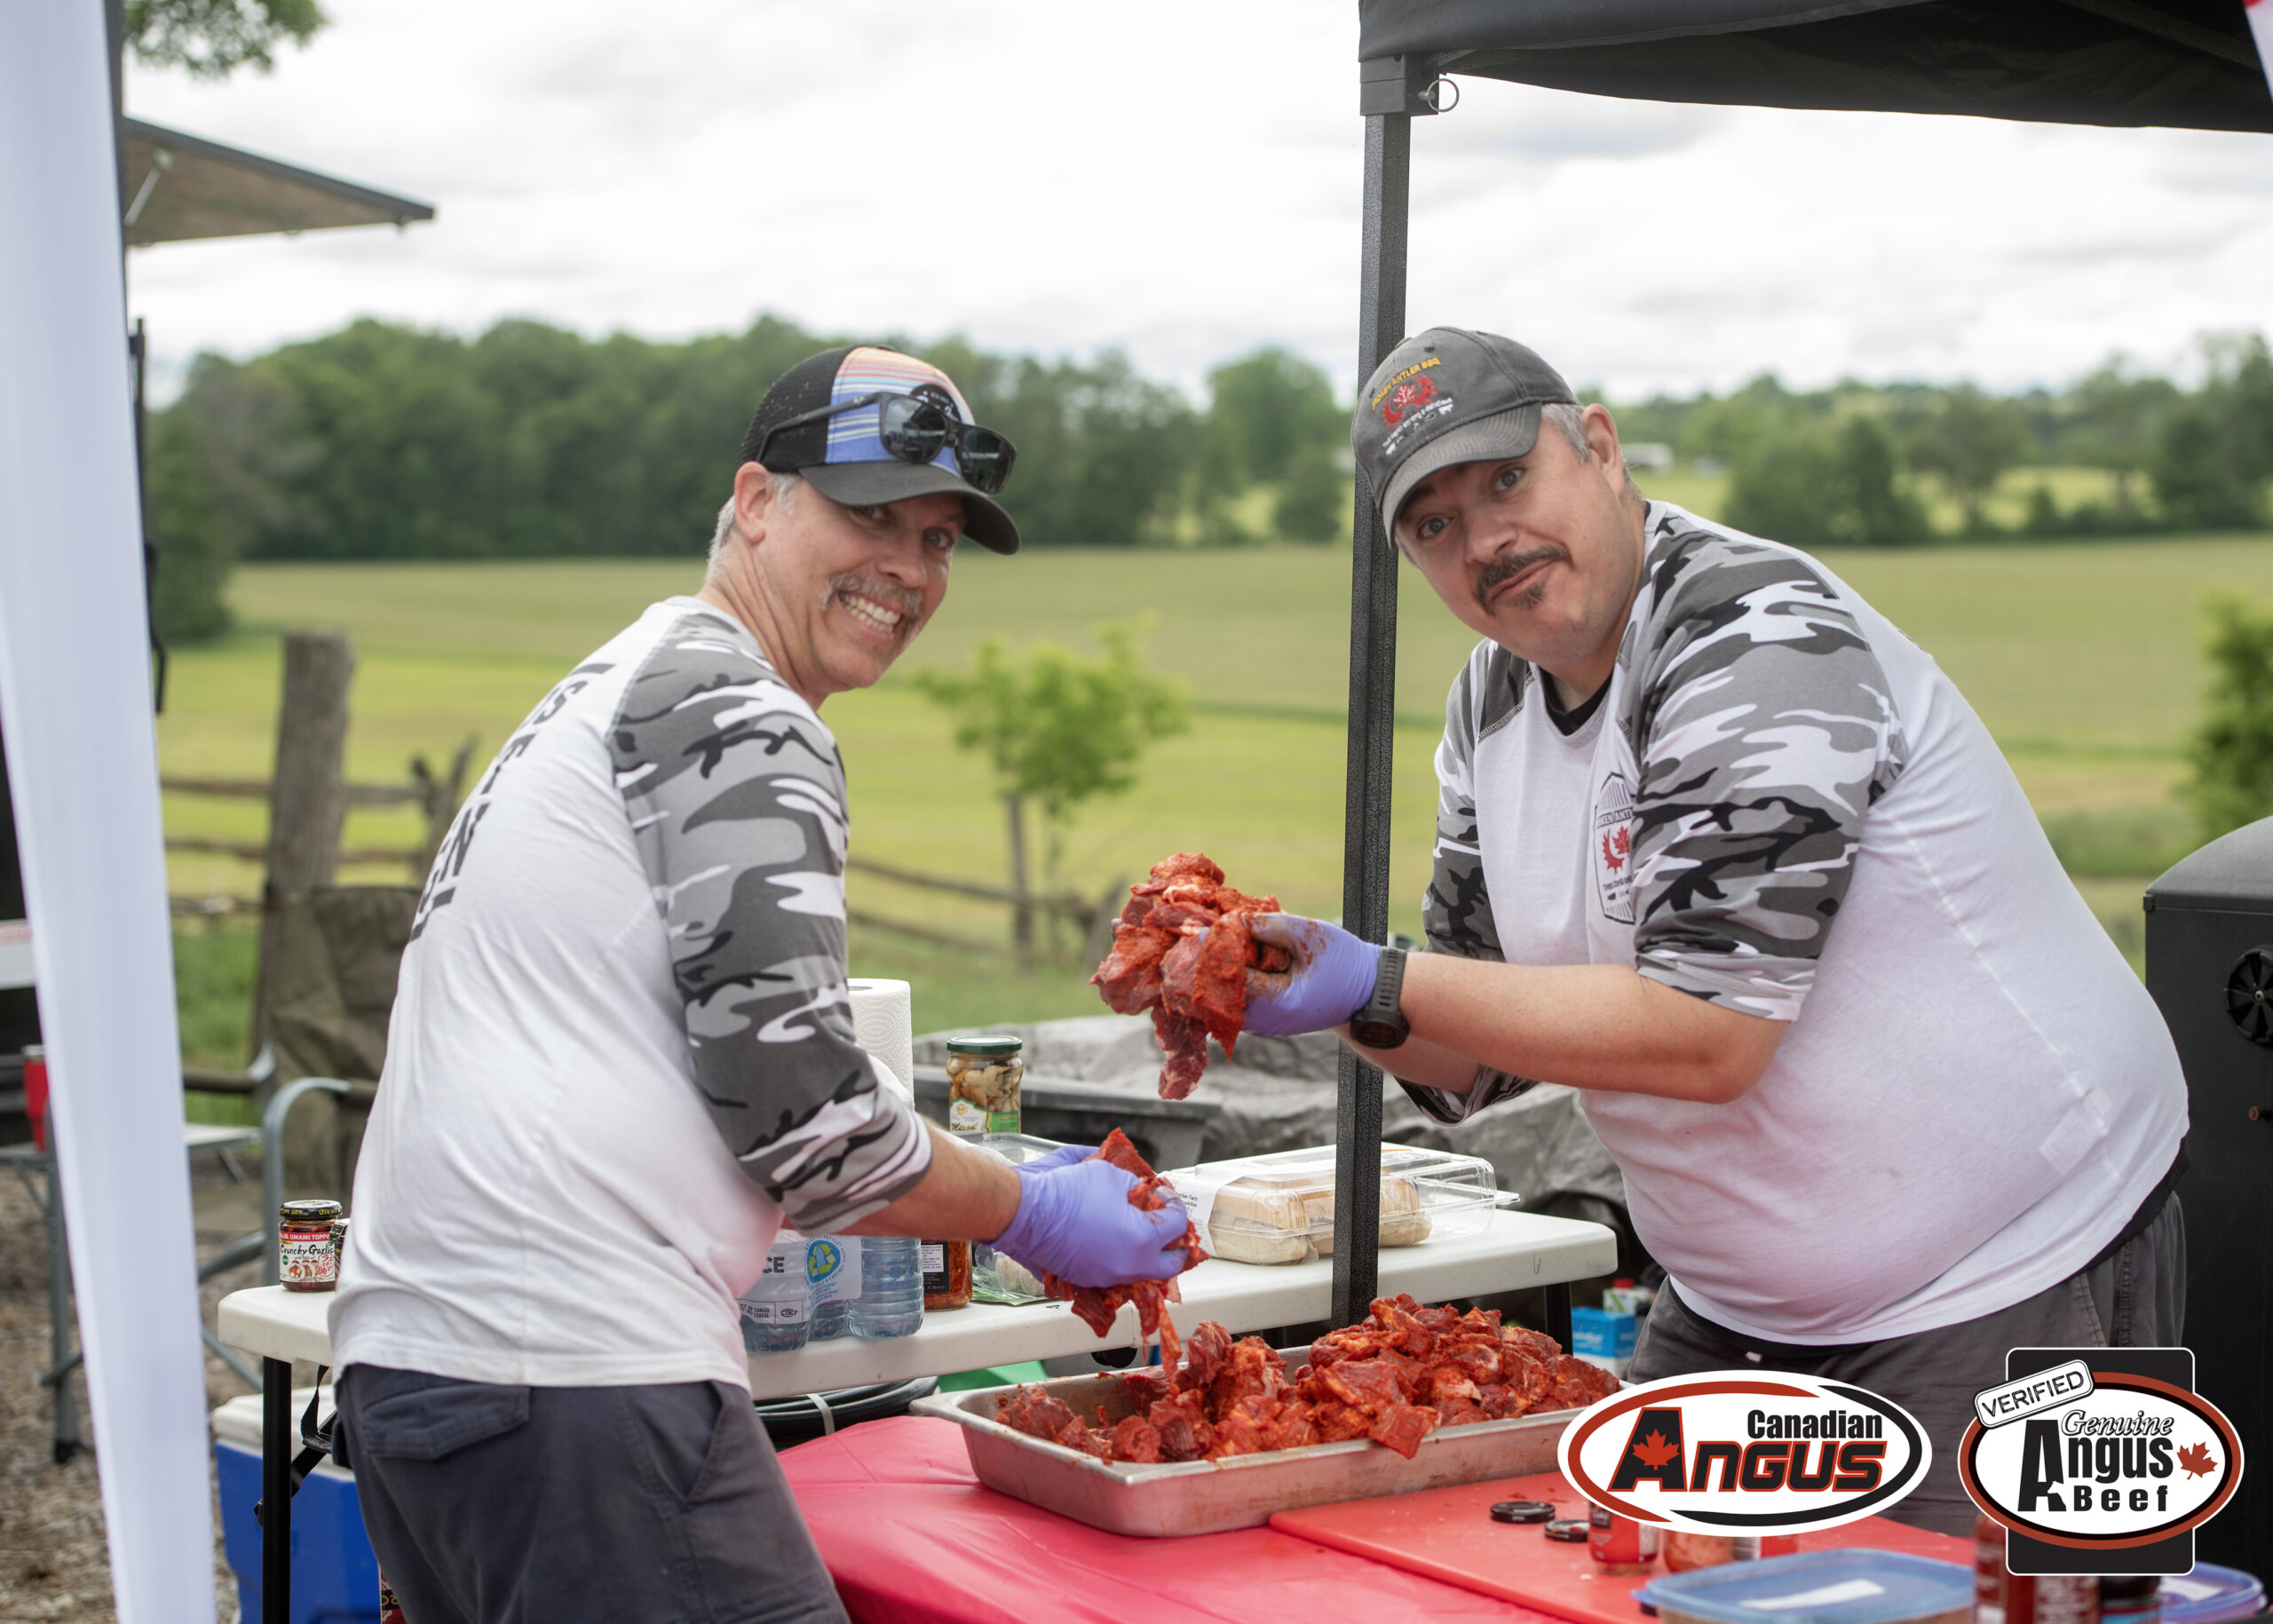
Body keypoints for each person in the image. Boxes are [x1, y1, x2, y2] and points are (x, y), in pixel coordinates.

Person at [1239, 327, 2188, 1533]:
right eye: (1433, 523)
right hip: (1738, 1303)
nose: (1485, 541)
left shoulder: (1752, 632)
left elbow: (1708, 1032)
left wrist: (1377, 976)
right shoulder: (1488, 702)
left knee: (1966, 1614)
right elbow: (1472, 1044)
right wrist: (1301, 985)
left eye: (1508, 479)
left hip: (2011, 1271)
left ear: (1599, 448)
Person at [328, 345, 1192, 1622]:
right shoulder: (740, 712)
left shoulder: (628, 677)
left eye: (937, 539)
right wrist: (1028, 1207)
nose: (909, 568)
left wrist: (993, 1173)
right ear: (755, 502)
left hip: (433, 1371)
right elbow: (813, 1136)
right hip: (572, 1373)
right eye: (871, 516)